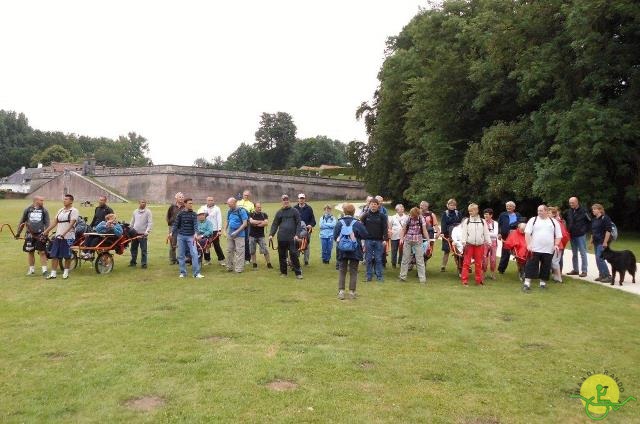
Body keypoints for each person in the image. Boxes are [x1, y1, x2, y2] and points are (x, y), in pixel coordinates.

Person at [522, 205, 562, 291]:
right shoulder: (533, 220)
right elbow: (527, 233)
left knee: (546, 266)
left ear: (546, 211)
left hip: (548, 249)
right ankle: (527, 283)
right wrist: (528, 244)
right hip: (534, 248)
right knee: (531, 265)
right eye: (538, 210)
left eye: (541, 211)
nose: (539, 212)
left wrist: (556, 245)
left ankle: (543, 283)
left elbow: (559, 236)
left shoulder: (554, 222)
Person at [333, 203, 369, 299]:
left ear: (344, 212)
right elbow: (365, 235)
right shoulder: (357, 223)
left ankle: (341, 292)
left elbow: (335, 236)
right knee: (353, 271)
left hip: (342, 250)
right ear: (353, 212)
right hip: (355, 250)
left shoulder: (339, 223)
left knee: (342, 270)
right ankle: (352, 292)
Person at [43, 194, 79, 280]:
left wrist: (64, 234)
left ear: (71, 201)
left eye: (66, 199)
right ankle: (53, 273)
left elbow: (71, 224)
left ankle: (66, 272)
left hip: (68, 237)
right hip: (58, 236)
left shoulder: (74, 211)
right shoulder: (60, 210)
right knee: (54, 255)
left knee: (67, 255)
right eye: (64, 199)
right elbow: (55, 222)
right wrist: (46, 231)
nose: (64, 200)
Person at [269, 195, 303, 279]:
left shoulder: (294, 211)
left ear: (289, 201)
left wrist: (297, 234)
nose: (286, 202)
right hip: (281, 238)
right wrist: (271, 234)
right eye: (284, 200)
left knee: (294, 255)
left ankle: (298, 273)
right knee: (282, 256)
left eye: (287, 200)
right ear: (282, 202)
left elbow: (299, 223)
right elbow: (275, 224)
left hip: (292, 238)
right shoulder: (279, 212)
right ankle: (283, 272)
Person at [16, 196, 50, 276]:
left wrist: (46, 233)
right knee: (30, 252)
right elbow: (22, 221)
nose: (43, 202)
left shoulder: (44, 210)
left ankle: (44, 270)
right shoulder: (28, 210)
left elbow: (47, 223)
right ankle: (31, 270)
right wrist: (18, 233)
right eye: (41, 200)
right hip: (29, 234)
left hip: (40, 234)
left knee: (42, 252)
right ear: (36, 201)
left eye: (43, 200)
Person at [170, 198, 204, 279]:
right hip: (181, 237)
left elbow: (196, 225)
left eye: (192, 203)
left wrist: (196, 233)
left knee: (195, 254)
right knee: (181, 255)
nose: (191, 205)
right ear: (185, 204)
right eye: (189, 203)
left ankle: (196, 273)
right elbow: (175, 224)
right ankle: (183, 273)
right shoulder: (180, 214)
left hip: (191, 237)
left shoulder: (194, 214)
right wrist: (171, 233)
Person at [460, 203, 491, 286]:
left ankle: (479, 280)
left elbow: (486, 233)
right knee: (466, 263)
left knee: (478, 263)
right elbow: (464, 233)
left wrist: (489, 242)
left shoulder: (482, 221)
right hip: (469, 245)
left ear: (477, 211)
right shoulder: (467, 221)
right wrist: (463, 242)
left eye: (472, 211)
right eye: (469, 211)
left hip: (480, 245)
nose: (470, 213)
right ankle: (464, 281)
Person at [360, 198, 388, 281]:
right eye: (372, 204)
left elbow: (385, 228)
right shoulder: (365, 215)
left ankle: (379, 277)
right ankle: (369, 276)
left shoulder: (382, 216)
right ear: (369, 205)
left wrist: (385, 239)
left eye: (375, 204)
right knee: (368, 259)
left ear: (378, 205)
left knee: (378, 259)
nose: (373, 205)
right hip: (368, 240)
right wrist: (363, 236)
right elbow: (361, 226)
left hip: (379, 241)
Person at [399, 207, 429, 283]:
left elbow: (424, 230)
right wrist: (401, 239)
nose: (412, 217)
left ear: (417, 214)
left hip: (418, 240)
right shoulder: (408, 218)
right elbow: (404, 229)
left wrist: (428, 240)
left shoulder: (421, 219)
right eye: (411, 215)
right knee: (405, 259)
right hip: (408, 240)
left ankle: (422, 279)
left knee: (420, 260)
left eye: (414, 216)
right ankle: (402, 277)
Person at [564, 196, 590, 277]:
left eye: (572, 203)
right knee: (574, 253)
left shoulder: (584, 211)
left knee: (583, 253)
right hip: (572, 235)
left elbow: (590, 221)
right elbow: (567, 221)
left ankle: (584, 271)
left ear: (577, 202)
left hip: (581, 235)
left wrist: (584, 230)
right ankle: (575, 270)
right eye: (570, 203)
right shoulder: (569, 211)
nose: (571, 204)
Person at [497, 201, 523, 274]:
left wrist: (513, 225)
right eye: (507, 206)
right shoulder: (502, 215)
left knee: (518, 253)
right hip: (505, 237)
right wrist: (499, 233)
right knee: (505, 253)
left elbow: (521, 223)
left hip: (516, 237)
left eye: (510, 206)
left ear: (514, 207)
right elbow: (499, 224)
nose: (508, 207)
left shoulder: (518, 215)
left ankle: (521, 269)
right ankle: (501, 269)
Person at [225, 197, 249, 273]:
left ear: (234, 203)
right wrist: (224, 230)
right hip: (230, 233)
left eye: (230, 204)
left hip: (240, 234)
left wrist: (237, 232)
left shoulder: (241, 211)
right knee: (229, 250)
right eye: (228, 204)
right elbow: (227, 221)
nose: (228, 205)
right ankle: (229, 267)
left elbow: (245, 224)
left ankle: (239, 269)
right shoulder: (229, 211)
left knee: (240, 251)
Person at [590, 204, 613, 283]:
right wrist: (591, 242)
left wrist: (605, 242)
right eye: (592, 209)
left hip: (602, 241)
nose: (593, 210)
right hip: (596, 242)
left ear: (600, 210)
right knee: (597, 258)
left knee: (600, 258)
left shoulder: (605, 218)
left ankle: (607, 276)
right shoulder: (594, 219)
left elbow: (608, 230)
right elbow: (593, 232)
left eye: (595, 209)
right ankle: (602, 275)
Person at [440, 198, 463, 272]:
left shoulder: (458, 213)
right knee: (446, 251)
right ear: (447, 205)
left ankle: (459, 266)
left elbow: (461, 223)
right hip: (447, 235)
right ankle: (443, 266)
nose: (452, 206)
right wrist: (443, 233)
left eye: (453, 205)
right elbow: (443, 224)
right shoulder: (445, 213)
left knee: (457, 251)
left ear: (455, 206)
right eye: (450, 205)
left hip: (456, 235)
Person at [548, 206, 570, 283]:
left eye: (549, 213)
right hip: (549, 245)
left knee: (555, 262)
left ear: (553, 214)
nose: (547, 214)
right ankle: (555, 276)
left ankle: (559, 278)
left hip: (557, 245)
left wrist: (560, 244)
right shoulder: (548, 221)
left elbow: (564, 235)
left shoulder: (557, 222)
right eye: (547, 212)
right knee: (551, 261)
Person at [294, 193, 316, 266]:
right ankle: (296, 259)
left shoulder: (309, 208)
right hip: (297, 231)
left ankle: (306, 261)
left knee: (306, 245)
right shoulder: (294, 208)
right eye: (300, 198)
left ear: (304, 199)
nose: (301, 200)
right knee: (296, 244)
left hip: (306, 231)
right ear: (298, 199)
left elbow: (313, 221)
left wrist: (310, 225)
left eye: (302, 198)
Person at [129, 199, 152, 268]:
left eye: (144, 202)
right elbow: (132, 222)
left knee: (144, 250)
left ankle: (144, 263)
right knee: (133, 249)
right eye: (142, 202)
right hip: (135, 233)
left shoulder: (148, 212)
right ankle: (133, 262)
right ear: (139, 203)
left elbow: (150, 223)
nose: (143, 204)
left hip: (143, 234)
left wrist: (147, 231)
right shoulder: (135, 211)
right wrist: (130, 229)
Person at [249, 202, 272, 269]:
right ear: (254, 207)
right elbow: (251, 222)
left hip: (261, 236)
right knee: (252, 251)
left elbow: (266, 223)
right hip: (252, 236)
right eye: (258, 207)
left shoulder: (264, 214)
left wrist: (256, 223)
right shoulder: (251, 214)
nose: (259, 208)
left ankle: (269, 264)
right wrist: (261, 222)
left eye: (260, 207)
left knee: (265, 250)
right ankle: (254, 264)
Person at [203, 196, 225, 266]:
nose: (210, 201)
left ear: (213, 201)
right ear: (206, 201)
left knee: (216, 245)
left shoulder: (217, 209)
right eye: (209, 200)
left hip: (214, 230)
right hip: (205, 230)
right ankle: (207, 260)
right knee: (206, 245)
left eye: (211, 200)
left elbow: (219, 219)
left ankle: (221, 260)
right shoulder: (203, 208)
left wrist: (219, 230)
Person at [166, 192, 185, 265]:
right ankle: (172, 259)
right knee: (172, 243)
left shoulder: (185, 207)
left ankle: (182, 259)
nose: (181, 198)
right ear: (176, 198)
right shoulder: (172, 207)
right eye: (180, 197)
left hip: (182, 227)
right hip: (173, 226)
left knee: (182, 243)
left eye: (182, 197)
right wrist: (170, 223)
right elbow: (168, 216)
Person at [237, 190, 255, 263]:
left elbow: (252, 214)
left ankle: (247, 258)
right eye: (245, 195)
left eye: (247, 195)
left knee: (246, 240)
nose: (246, 196)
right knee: (238, 240)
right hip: (238, 223)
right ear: (242, 195)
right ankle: (239, 257)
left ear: (249, 196)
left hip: (247, 224)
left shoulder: (251, 204)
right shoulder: (238, 203)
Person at [388, 204, 408, 268]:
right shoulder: (393, 217)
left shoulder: (407, 217)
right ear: (397, 210)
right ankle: (393, 263)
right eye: (400, 208)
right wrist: (390, 233)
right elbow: (390, 227)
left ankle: (400, 262)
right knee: (394, 250)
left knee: (402, 250)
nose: (402, 209)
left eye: (403, 208)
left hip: (403, 237)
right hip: (394, 236)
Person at [482, 208, 499, 280]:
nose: (485, 216)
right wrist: (489, 234)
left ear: (491, 215)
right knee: (484, 259)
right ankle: (483, 273)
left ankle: (492, 273)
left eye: (487, 214)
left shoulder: (495, 223)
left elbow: (495, 234)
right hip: (484, 243)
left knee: (493, 259)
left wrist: (485, 233)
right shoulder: (481, 222)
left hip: (493, 243)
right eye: (484, 214)